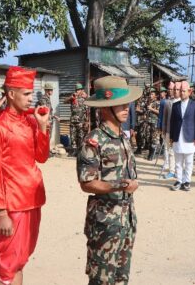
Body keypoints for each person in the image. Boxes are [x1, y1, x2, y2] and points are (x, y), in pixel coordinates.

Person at [0, 66, 50, 285]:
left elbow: (41, 157)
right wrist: (1, 211)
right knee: (7, 262)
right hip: (13, 204)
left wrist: (42, 128)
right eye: (26, 94)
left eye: (32, 93)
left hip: (32, 198)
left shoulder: (30, 121)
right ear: (11, 94)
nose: (31, 99)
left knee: (21, 259)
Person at [78, 76, 141, 285]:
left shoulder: (123, 137)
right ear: (105, 108)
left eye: (126, 103)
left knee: (122, 278)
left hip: (126, 221)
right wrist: (120, 184)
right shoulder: (94, 140)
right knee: (102, 280)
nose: (126, 108)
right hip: (105, 225)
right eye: (120, 104)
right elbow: (86, 183)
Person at [169, 81, 195, 192]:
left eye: (184, 91)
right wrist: (171, 137)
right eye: (181, 91)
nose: (182, 93)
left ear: (189, 92)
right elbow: (172, 122)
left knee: (188, 161)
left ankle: (187, 181)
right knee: (178, 161)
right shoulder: (175, 105)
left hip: (190, 137)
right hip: (178, 136)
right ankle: (179, 180)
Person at [157, 83, 176, 179]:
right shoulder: (167, 102)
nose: (170, 91)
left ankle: (179, 171)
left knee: (180, 153)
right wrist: (163, 129)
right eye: (169, 89)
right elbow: (163, 117)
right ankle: (172, 171)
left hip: (179, 132)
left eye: (172, 89)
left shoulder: (181, 101)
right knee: (170, 151)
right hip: (168, 130)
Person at [68, 84, 89, 156]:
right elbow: (64, 101)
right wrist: (71, 97)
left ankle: (80, 152)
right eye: (76, 90)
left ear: (82, 90)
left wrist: (87, 121)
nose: (77, 91)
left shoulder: (85, 99)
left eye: (78, 90)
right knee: (72, 137)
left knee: (80, 137)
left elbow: (88, 111)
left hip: (81, 121)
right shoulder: (73, 98)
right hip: (73, 121)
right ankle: (74, 151)